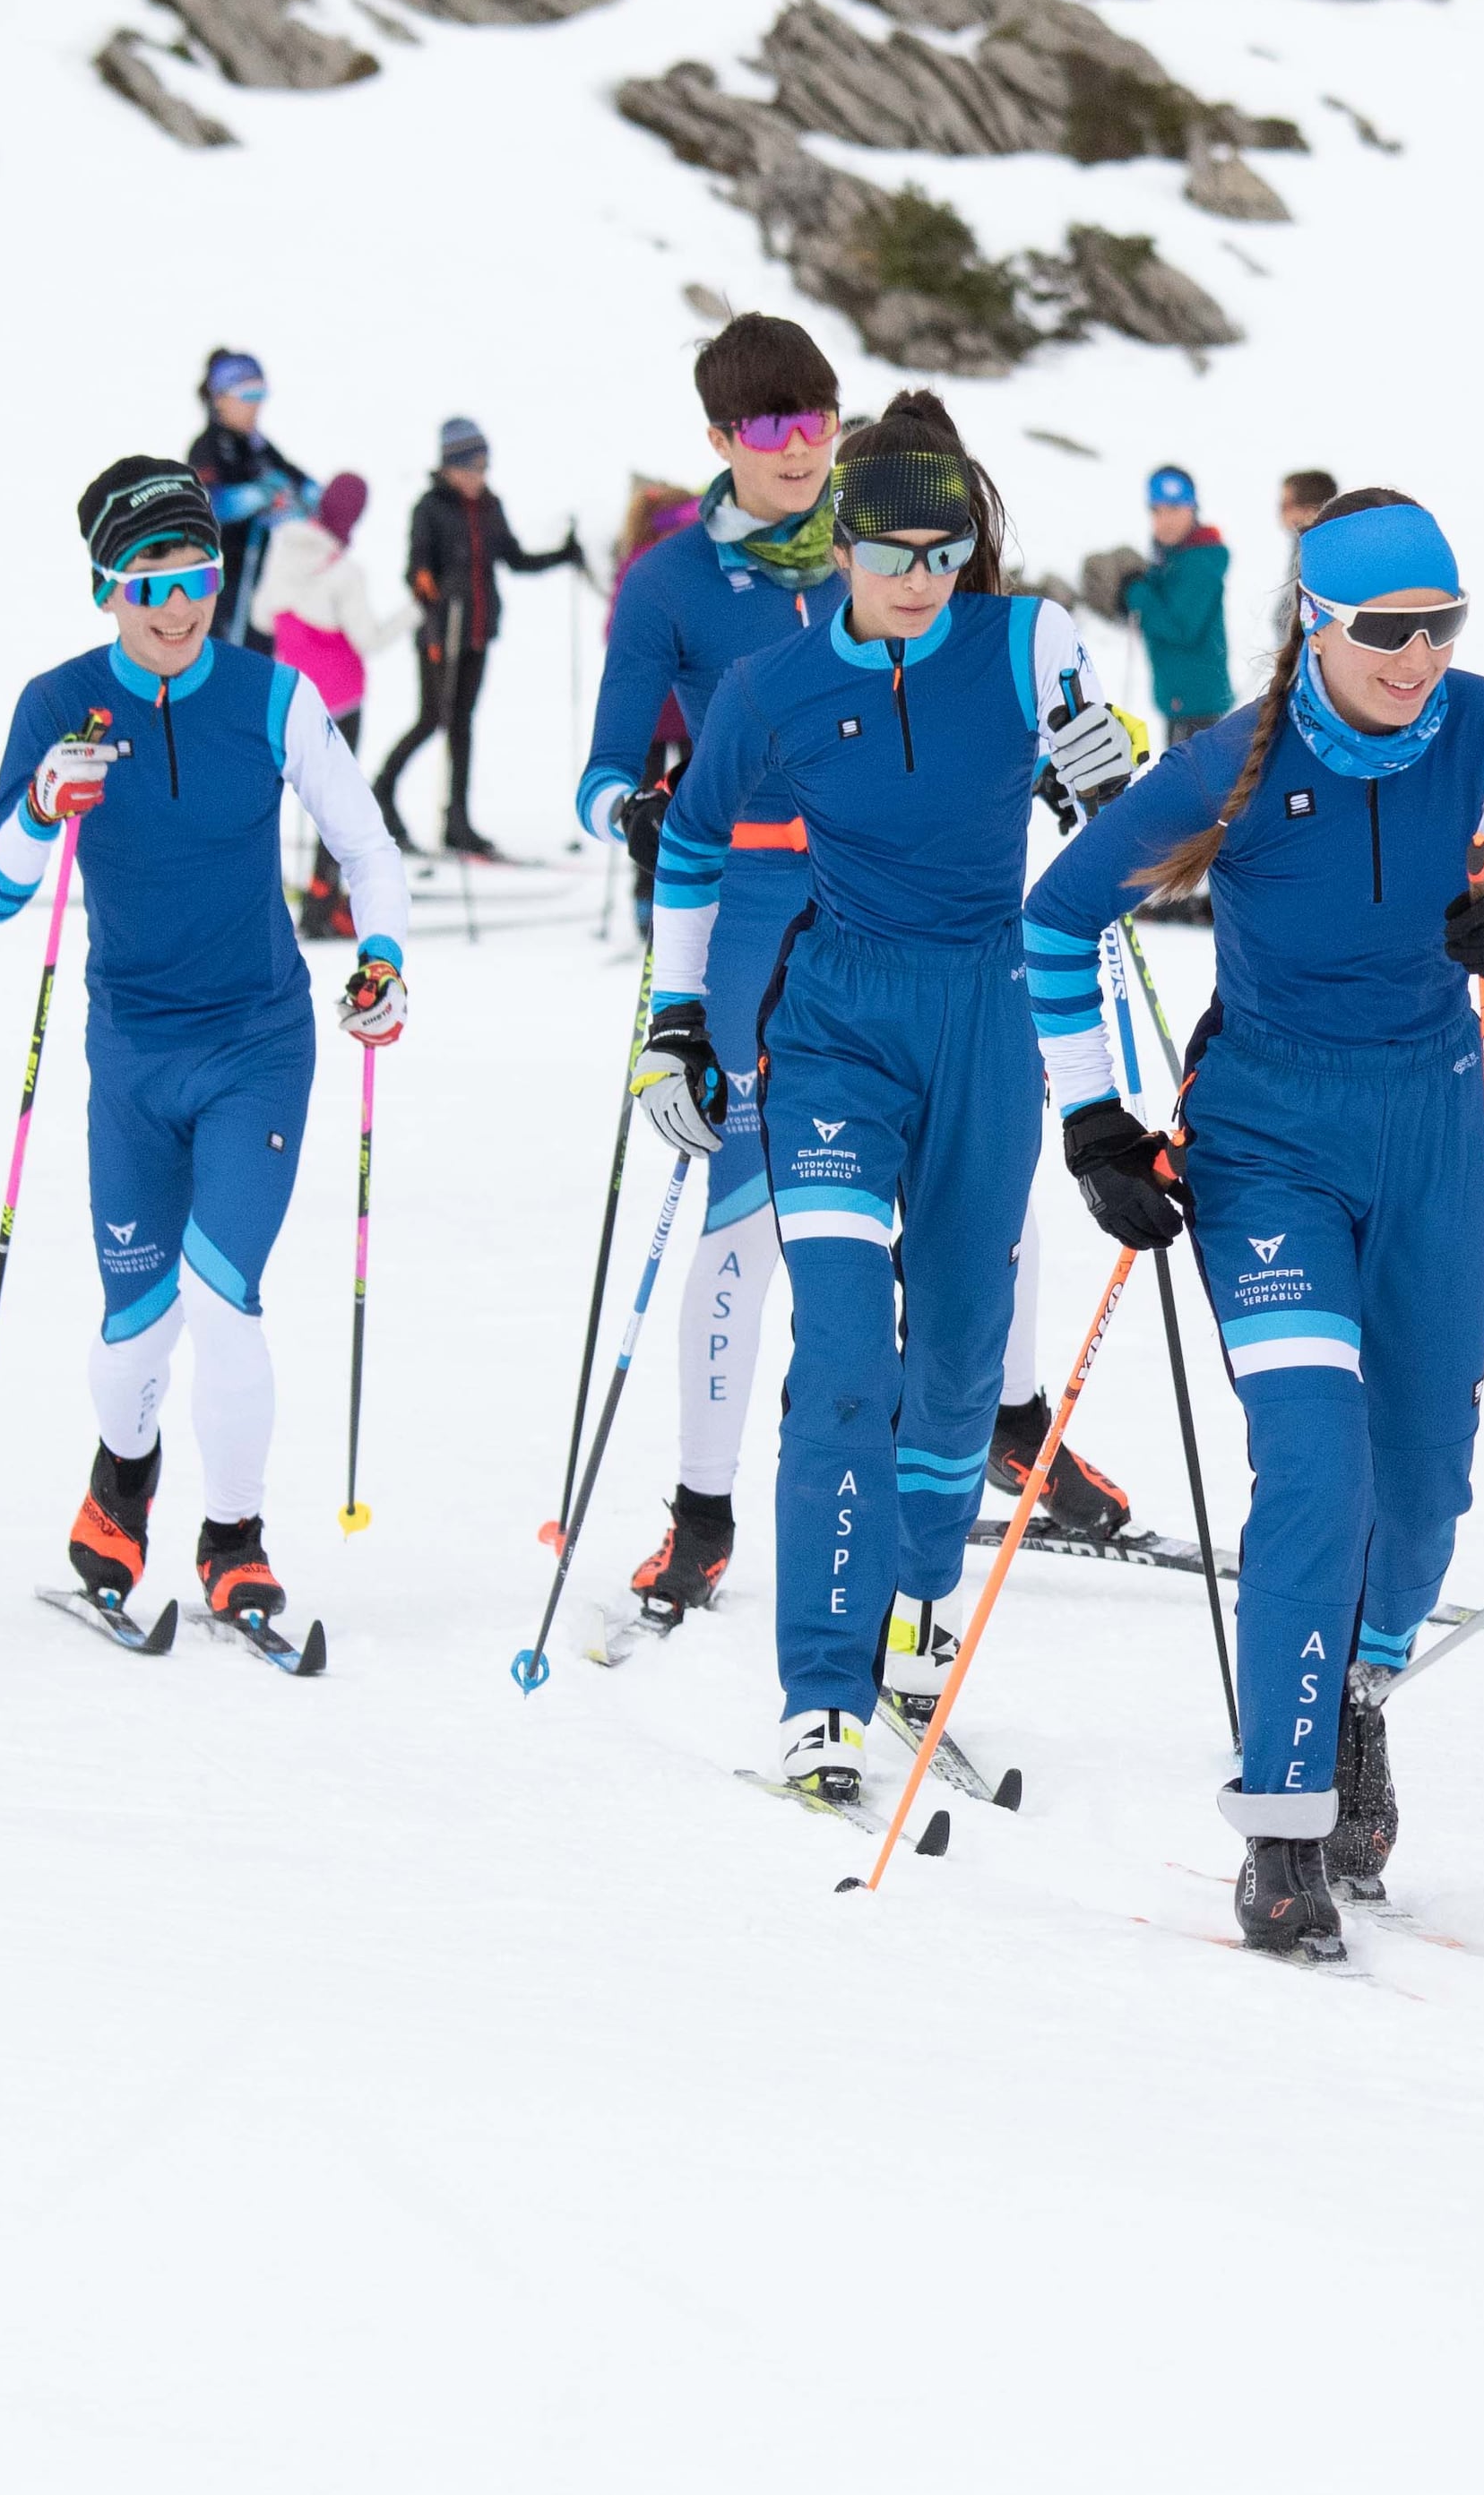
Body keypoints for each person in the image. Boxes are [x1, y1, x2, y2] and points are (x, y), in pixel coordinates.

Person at [1022, 487, 1484, 1958]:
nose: (1419, 658)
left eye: (1441, 627)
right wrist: (1092, 1119)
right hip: (1270, 1136)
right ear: (1315, 625)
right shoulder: (1232, 763)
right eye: (1387, 631)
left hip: (1434, 1128)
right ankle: (1280, 1824)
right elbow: (1056, 916)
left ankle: (1357, 1693)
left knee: (1426, 1484)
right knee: (1316, 1464)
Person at [628, 393, 1143, 1805]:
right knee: (847, 1352)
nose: (922, 575)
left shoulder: (1026, 640)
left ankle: (917, 1613)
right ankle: (818, 1689)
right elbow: (691, 841)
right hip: (840, 1023)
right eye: (895, 549)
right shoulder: (773, 690)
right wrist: (678, 1021)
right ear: (840, 546)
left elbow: (1112, 794)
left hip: (988, 1018)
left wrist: (1111, 779)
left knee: (962, 1360)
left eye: (946, 547)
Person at [0, 456, 417, 1640]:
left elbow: (369, 850)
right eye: (151, 582)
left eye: (200, 577)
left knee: (224, 1294)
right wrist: (36, 807)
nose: (179, 607)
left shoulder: (271, 699)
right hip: (130, 1055)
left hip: (256, 1042)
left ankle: (236, 1543)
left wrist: (383, 959)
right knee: (134, 1331)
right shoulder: (57, 704)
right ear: (106, 588)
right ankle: (123, 1480)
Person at [575, 318, 850, 1629]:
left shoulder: (888, 553)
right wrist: (634, 809)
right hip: (741, 909)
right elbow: (602, 765)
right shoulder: (671, 580)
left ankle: (955, 1443)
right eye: (767, 428)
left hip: (884, 910)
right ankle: (700, 1513)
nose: (798, 450)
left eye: (816, 422)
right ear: (720, 442)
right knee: (742, 1219)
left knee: (919, 1215)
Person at [384, 415, 582, 857]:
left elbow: (514, 559)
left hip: (476, 632)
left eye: (483, 468)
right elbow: (415, 570)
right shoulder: (430, 508)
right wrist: (432, 595)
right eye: (470, 468)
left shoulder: (490, 507)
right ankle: (381, 794)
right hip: (441, 633)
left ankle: (458, 822)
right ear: (449, 467)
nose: (478, 477)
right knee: (433, 718)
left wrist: (563, 554)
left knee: (461, 727)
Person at [252, 468, 377, 939]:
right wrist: (416, 614)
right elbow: (367, 639)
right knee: (335, 800)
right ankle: (323, 901)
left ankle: (279, 889)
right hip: (343, 699)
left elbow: (263, 616)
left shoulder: (284, 550)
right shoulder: (346, 572)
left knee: (285, 790)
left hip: (292, 693)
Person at [187, 349, 321, 659]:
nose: (256, 405)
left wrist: (308, 496)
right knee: (223, 653)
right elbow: (206, 502)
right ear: (220, 398)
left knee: (258, 653)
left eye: (261, 393)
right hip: (219, 576)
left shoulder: (258, 445)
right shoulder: (207, 446)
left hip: (261, 572)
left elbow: (299, 482)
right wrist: (253, 497)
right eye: (248, 394)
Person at [1120, 465, 1232, 738]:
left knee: (1193, 779)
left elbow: (1181, 627)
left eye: (1175, 509)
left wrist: (1136, 594)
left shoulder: (1199, 561)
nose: (1165, 520)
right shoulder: (1172, 558)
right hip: (1182, 698)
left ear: (1192, 509)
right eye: (1157, 511)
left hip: (1197, 701)